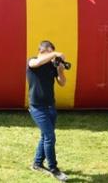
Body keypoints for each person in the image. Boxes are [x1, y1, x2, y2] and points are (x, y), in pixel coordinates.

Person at [27, 40, 70, 181]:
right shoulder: (32, 61)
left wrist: (60, 70)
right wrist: (56, 54)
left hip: (51, 106)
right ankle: (54, 168)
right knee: (50, 137)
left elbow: (62, 83)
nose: (52, 57)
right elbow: (36, 63)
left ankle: (37, 164)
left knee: (45, 136)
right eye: (50, 52)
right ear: (42, 50)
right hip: (37, 107)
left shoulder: (52, 66)